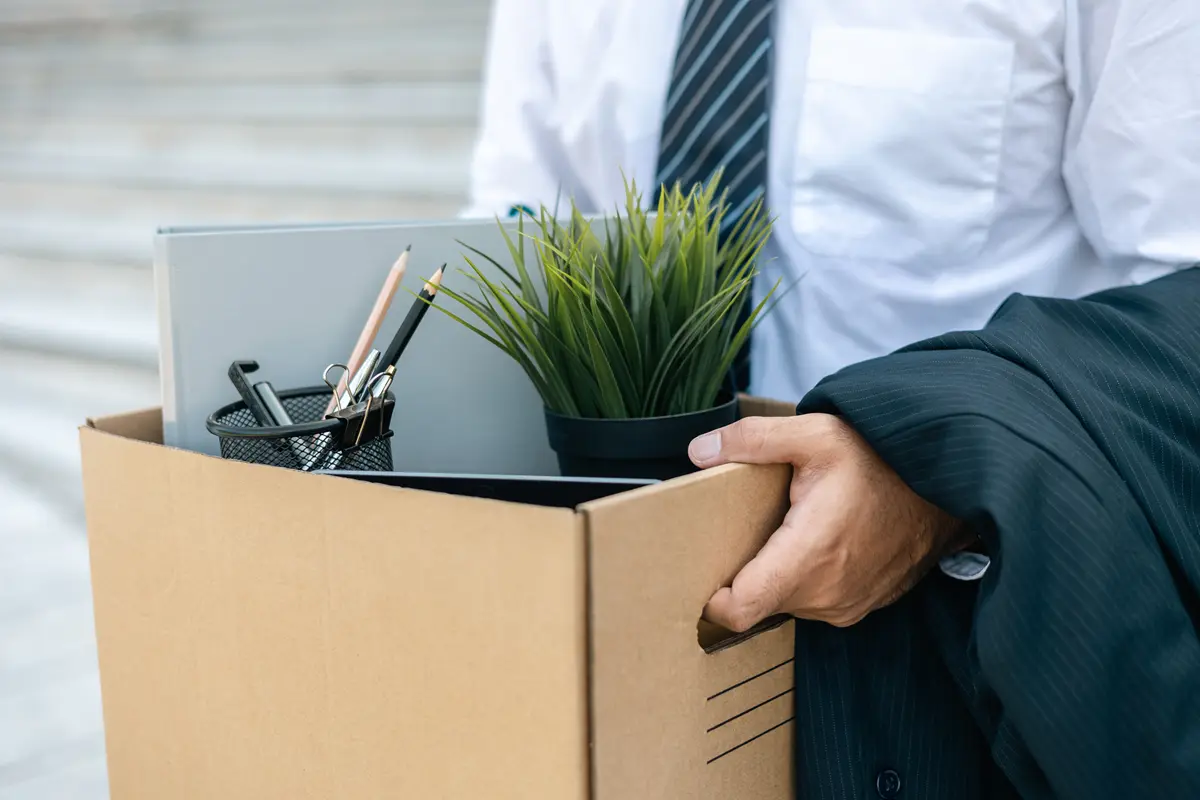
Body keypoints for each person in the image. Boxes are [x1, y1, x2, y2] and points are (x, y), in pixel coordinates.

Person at [466, 1, 1200, 797]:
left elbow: (1178, 311)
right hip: (634, 615)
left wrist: (931, 482)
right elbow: (514, 236)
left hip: (946, 649)